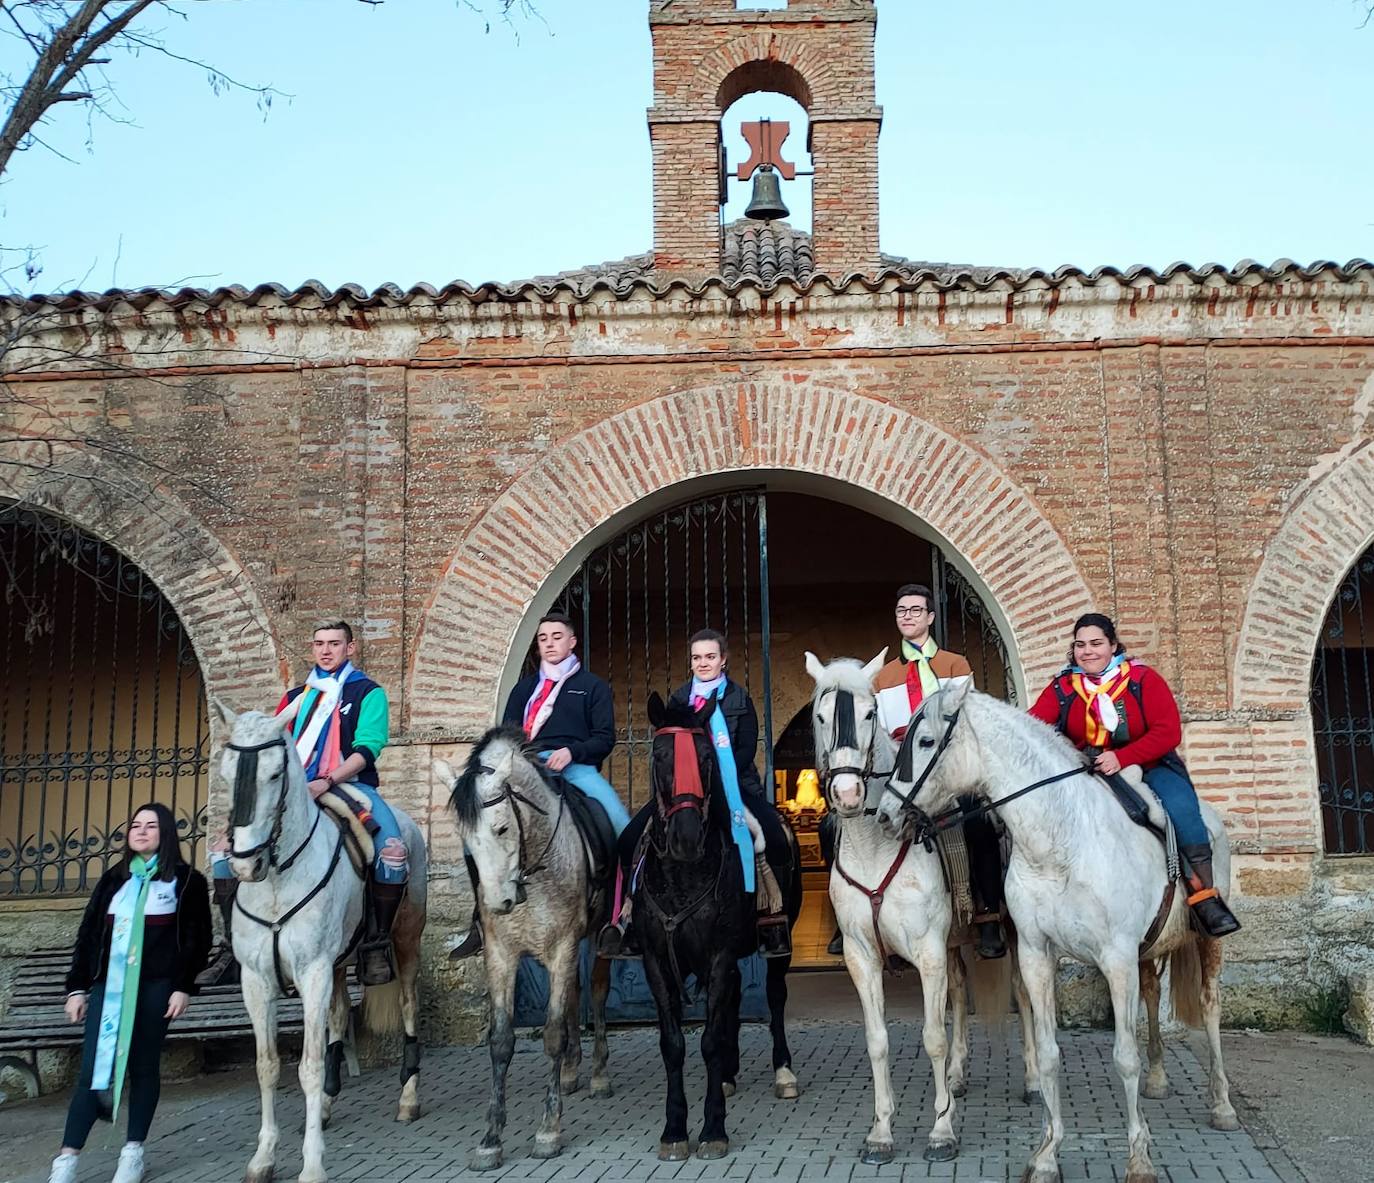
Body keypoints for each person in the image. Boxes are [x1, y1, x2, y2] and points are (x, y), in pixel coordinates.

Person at [210, 620, 405, 987]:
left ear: (350, 648)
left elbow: (368, 748)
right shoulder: (293, 698)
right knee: (222, 854)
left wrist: (327, 780)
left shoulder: (368, 692)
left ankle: (376, 941)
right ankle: (228, 945)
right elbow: (275, 751)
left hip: (350, 784)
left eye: (334, 643)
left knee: (393, 853)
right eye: (319, 643)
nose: (326, 650)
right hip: (294, 791)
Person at [1028, 612, 1241, 938]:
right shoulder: (1062, 687)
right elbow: (1034, 728)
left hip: (1151, 764)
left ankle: (1204, 897)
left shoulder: (1142, 679)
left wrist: (1123, 756)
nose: (1088, 651)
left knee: (1184, 812)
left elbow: (1168, 732)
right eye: (1080, 645)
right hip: (1085, 771)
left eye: (1096, 643)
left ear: (1113, 645)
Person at [598, 628, 792, 959]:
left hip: (735, 786)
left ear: (723, 660)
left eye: (710, 657)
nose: (703, 663)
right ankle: (628, 920)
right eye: (697, 658)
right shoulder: (678, 700)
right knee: (629, 839)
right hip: (683, 792)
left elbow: (746, 747)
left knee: (772, 835)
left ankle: (769, 920)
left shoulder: (739, 699)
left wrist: (715, 773)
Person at [48, 803, 212, 1183]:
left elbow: (197, 940)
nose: (140, 832)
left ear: (166, 833)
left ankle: (133, 1152)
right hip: (109, 989)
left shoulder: (187, 881)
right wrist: (76, 989)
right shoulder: (114, 879)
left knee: (142, 1066)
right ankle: (67, 1159)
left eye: (150, 826)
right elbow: (88, 937)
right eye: (135, 825)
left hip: (157, 989)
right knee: (94, 1068)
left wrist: (184, 987)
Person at [451, 611, 627, 959]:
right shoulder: (523, 689)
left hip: (576, 769)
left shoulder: (592, 687)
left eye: (557, 636)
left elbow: (605, 738)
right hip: (526, 772)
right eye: (543, 638)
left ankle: (620, 918)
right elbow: (503, 735)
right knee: (475, 838)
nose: (549, 643)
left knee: (623, 827)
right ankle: (480, 921)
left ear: (572, 641)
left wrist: (572, 751)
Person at [871, 583, 1007, 960]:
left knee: (979, 824)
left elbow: (966, 719)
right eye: (902, 611)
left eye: (916, 610)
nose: (908, 616)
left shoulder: (954, 665)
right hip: (904, 772)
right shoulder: (883, 677)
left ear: (930, 617)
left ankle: (987, 915)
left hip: (948, 768)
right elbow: (881, 731)